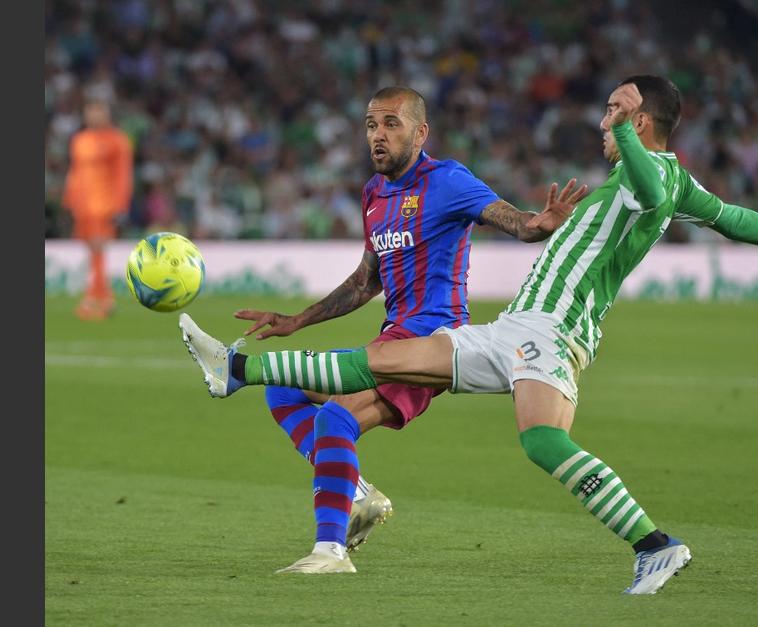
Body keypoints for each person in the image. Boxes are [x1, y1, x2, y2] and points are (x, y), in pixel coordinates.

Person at [180, 76, 758, 593]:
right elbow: (736, 218)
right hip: (513, 327)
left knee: (537, 437)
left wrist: (623, 139)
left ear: (642, 119)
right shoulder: (633, 176)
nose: (605, 119)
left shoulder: (657, 179)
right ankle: (235, 372)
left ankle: (655, 542)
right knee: (393, 366)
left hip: (552, 331)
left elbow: (656, 189)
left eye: (616, 109)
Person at [228, 86, 587, 574]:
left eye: (391, 124)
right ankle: (354, 491)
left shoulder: (448, 181)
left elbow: (516, 223)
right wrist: (296, 321)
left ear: (421, 132)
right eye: (372, 124)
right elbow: (364, 281)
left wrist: (541, 224)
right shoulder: (374, 193)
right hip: (392, 338)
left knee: (336, 417)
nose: (378, 135)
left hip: (433, 341)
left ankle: (329, 551)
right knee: (282, 387)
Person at [62, 99, 133, 320]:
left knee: (99, 249)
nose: (93, 116)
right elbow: (75, 171)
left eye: (98, 112)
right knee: (92, 251)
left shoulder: (118, 141)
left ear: (107, 114)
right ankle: (100, 297)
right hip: (82, 204)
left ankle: (98, 299)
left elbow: (123, 175)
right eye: (90, 112)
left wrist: (121, 205)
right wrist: (70, 199)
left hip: (104, 203)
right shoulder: (79, 140)